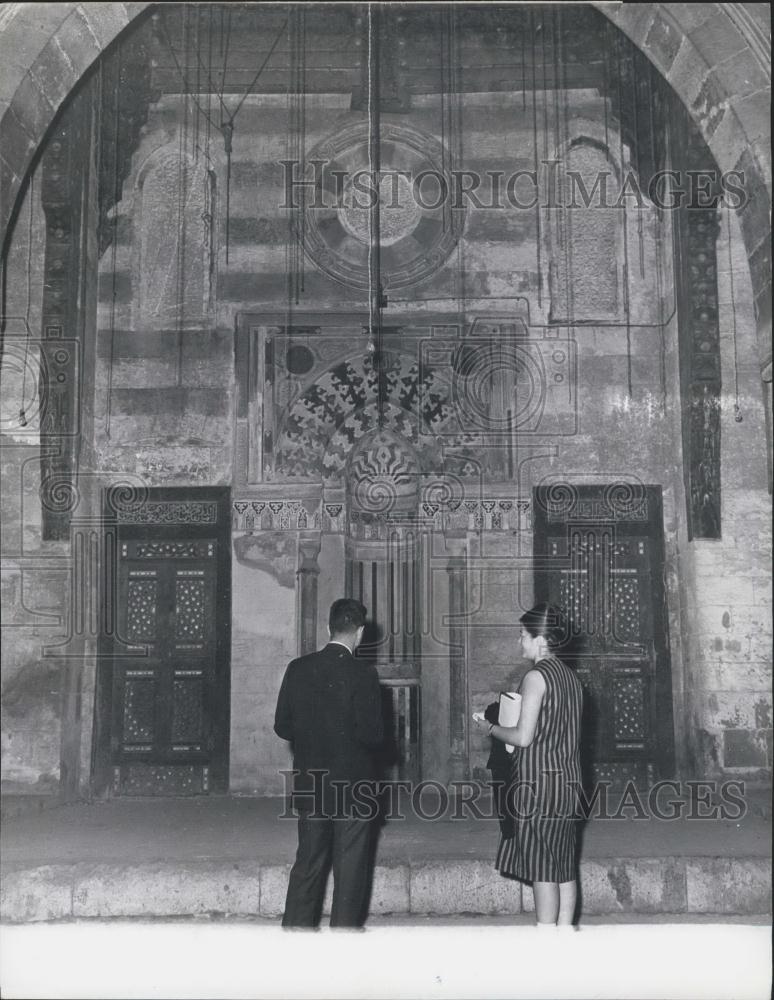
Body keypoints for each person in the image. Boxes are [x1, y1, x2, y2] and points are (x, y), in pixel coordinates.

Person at [274, 598, 384, 929]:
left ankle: (295, 933)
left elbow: (282, 726)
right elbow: (374, 735)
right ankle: (344, 939)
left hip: (312, 781)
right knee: (350, 865)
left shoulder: (298, 668)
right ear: (360, 633)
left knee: (308, 861)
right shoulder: (363, 674)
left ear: (328, 628)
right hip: (354, 786)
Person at [473, 602, 583, 927]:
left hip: (538, 785)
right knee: (563, 863)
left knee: (543, 867)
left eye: (523, 635)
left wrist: (489, 728)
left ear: (540, 639)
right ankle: (565, 936)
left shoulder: (536, 677)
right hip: (568, 783)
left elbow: (522, 736)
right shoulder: (571, 678)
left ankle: (546, 941)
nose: (519, 641)